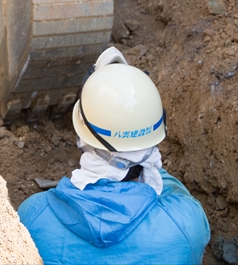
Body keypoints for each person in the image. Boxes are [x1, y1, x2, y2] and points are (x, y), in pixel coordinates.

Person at [18, 47, 210, 265]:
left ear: (82, 139)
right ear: (154, 142)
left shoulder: (32, 217)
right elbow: (167, 186)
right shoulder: (185, 223)